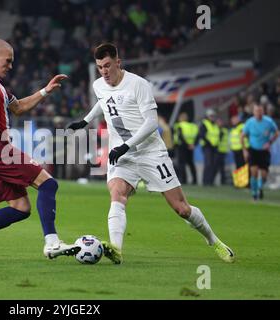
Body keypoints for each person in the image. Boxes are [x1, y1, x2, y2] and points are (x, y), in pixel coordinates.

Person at [67, 43, 234, 264]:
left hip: (150, 152)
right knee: (117, 194)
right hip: (123, 155)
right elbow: (103, 102)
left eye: (107, 65)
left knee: (182, 209)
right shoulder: (99, 85)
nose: (104, 71)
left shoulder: (139, 84)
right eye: (100, 67)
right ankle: (116, 249)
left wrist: (126, 145)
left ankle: (214, 241)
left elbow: (151, 123)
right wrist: (85, 121)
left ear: (118, 62)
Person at [0, 39, 80, 261]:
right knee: (49, 184)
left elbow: (19, 107)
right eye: (8, 61)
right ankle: (52, 243)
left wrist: (45, 91)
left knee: (21, 208)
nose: (11, 66)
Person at [241, 104, 279, 201]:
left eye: (260, 111)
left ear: (263, 111)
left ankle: (260, 187)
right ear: (253, 112)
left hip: (264, 151)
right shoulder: (250, 122)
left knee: (264, 175)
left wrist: (269, 142)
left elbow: (276, 133)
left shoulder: (269, 122)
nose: (259, 113)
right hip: (253, 150)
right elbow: (242, 136)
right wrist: (245, 150)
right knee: (253, 172)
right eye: (257, 111)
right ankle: (254, 193)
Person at [173, 112, 198, 184]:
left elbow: (181, 137)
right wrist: (192, 145)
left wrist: (187, 145)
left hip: (182, 146)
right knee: (191, 163)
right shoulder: (192, 126)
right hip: (191, 147)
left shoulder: (180, 125)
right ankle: (195, 180)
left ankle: (183, 179)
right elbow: (197, 136)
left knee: (181, 164)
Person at [197, 109, 219, 186]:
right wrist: (210, 143)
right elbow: (202, 135)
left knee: (214, 164)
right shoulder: (204, 124)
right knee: (208, 164)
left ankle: (211, 181)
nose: (212, 117)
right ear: (207, 116)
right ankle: (206, 181)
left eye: (213, 116)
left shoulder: (215, 125)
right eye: (211, 116)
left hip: (214, 147)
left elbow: (217, 135)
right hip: (207, 146)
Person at [216, 118, 229, 185]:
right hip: (216, 151)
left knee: (221, 167)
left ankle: (223, 181)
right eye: (218, 122)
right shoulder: (216, 129)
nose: (219, 124)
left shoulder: (223, 130)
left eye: (220, 122)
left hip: (222, 151)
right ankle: (212, 180)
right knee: (216, 167)